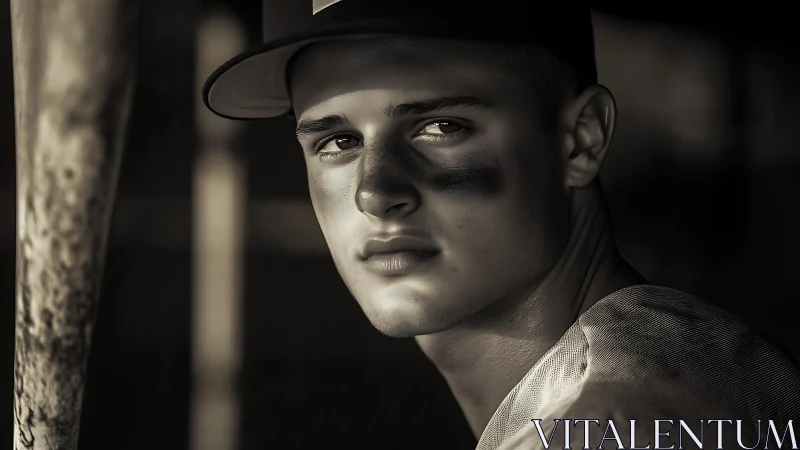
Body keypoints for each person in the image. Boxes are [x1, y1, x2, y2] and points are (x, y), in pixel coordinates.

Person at [203, 1, 800, 448]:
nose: (374, 192)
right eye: (337, 140)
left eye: (440, 127)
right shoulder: (646, 372)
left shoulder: (616, 418)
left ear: (580, 140)